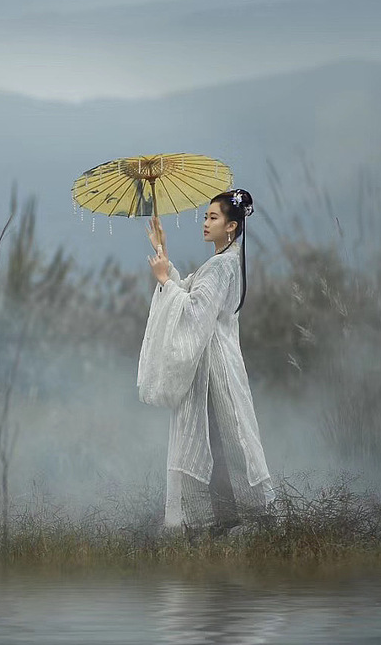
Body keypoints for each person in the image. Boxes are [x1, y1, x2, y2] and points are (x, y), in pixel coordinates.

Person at [137, 188, 275, 538]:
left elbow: (195, 312)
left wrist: (166, 280)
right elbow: (194, 297)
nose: (205, 222)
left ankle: (211, 522)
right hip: (224, 363)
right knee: (226, 439)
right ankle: (236, 520)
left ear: (231, 226)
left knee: (212, 438)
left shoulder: (220, 266)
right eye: (205, 216)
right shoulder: (229, 262)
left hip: (212, 369)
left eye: (213, 217)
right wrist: (162, 253)